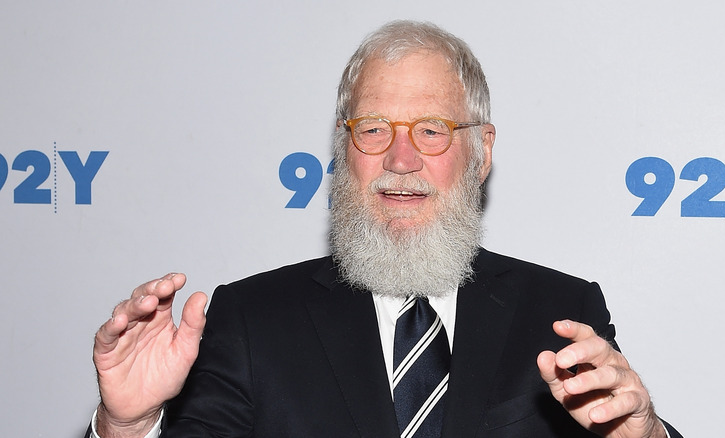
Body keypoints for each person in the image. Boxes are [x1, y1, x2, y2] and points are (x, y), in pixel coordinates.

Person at [88, 20, 682, 438]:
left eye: (431, 129)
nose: (400, 159)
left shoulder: (559, 311)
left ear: (481, 152)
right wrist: (128, 427)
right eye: (373, 129)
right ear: (345, 150)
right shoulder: (250, 318)